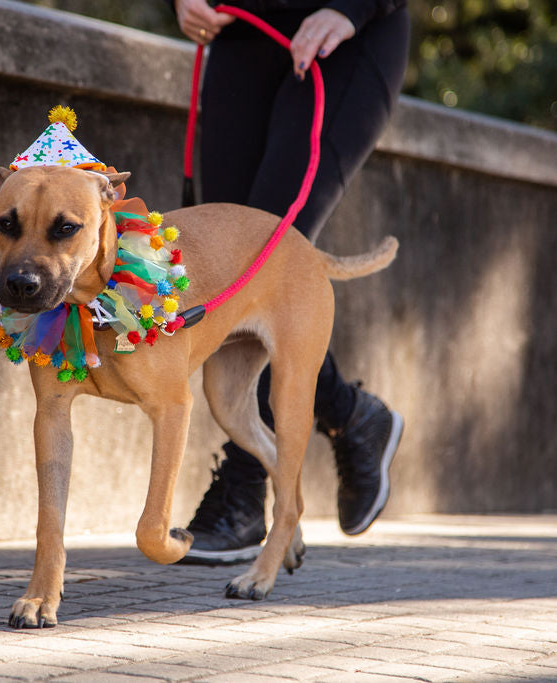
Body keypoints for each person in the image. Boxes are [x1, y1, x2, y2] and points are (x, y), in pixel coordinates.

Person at [169, 0, 410, 564]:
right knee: (230, 272)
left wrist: (352, 9)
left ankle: (248, 488)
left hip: (344, 40)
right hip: (239, 35)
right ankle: (351, 414)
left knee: (266, 264)